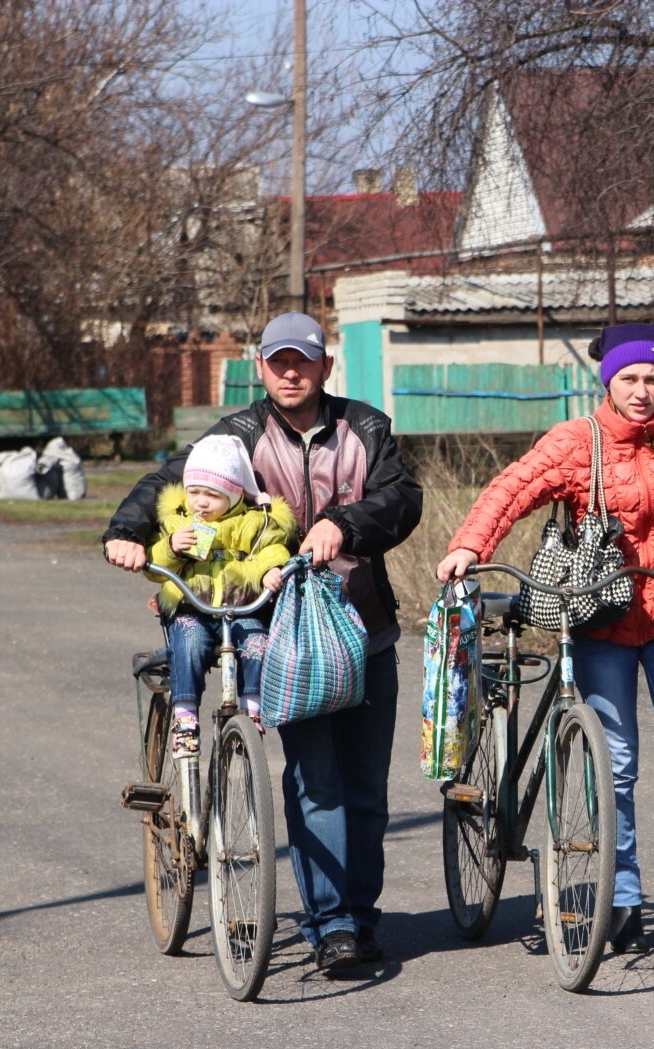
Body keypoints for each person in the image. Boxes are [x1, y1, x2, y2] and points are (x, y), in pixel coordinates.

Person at [104, 311, 423, 974]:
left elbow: (402, 499)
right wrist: (127, 529)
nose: (289, 371)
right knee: (316, 780)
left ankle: (361, 916)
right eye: (277, 360)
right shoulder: (237, 436)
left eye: (301, 360)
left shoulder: (365, 428)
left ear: (324, 366)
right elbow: (169, 480)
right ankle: (330, 923)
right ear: (261, 367)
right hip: (279, 635)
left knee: (365, 786)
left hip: (363, 630)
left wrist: (344, 522)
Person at [436, 321, 654, 962]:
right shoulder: (580, 442)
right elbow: (513, 489)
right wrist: (469, 545)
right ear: (609, 380)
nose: (643, 390)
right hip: (601, 620)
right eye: (629, 378)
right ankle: (622, 903)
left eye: (653, 378)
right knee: (617, 765)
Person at [146, 434, 297, 754]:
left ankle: (251, 709)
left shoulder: (252, 524)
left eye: (212, 495)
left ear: (234, 494)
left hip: (240, 609)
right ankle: (185, 716)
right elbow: (153, 565)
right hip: (193, 609)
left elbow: (270, 550)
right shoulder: (179, 522)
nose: (201, 502)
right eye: (194, 492)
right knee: (188, 643)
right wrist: (173, 548)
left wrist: (271, 570)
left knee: (258, 643)